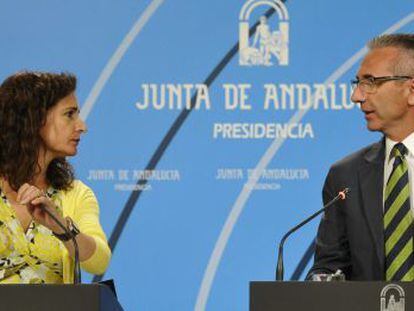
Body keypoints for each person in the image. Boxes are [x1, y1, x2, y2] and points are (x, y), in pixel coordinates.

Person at [307, 33, 414, 281]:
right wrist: (322, 281)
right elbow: (330, 266)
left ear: (411, 90)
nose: (356, 96)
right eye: (357, 83)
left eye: (370, 82)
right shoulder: (345, 175)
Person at [0, 71, 111, 283]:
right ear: (35, 119)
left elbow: (99, 261)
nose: (82, 126)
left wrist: (60, 225)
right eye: (70, 114)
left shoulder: (76, 194)